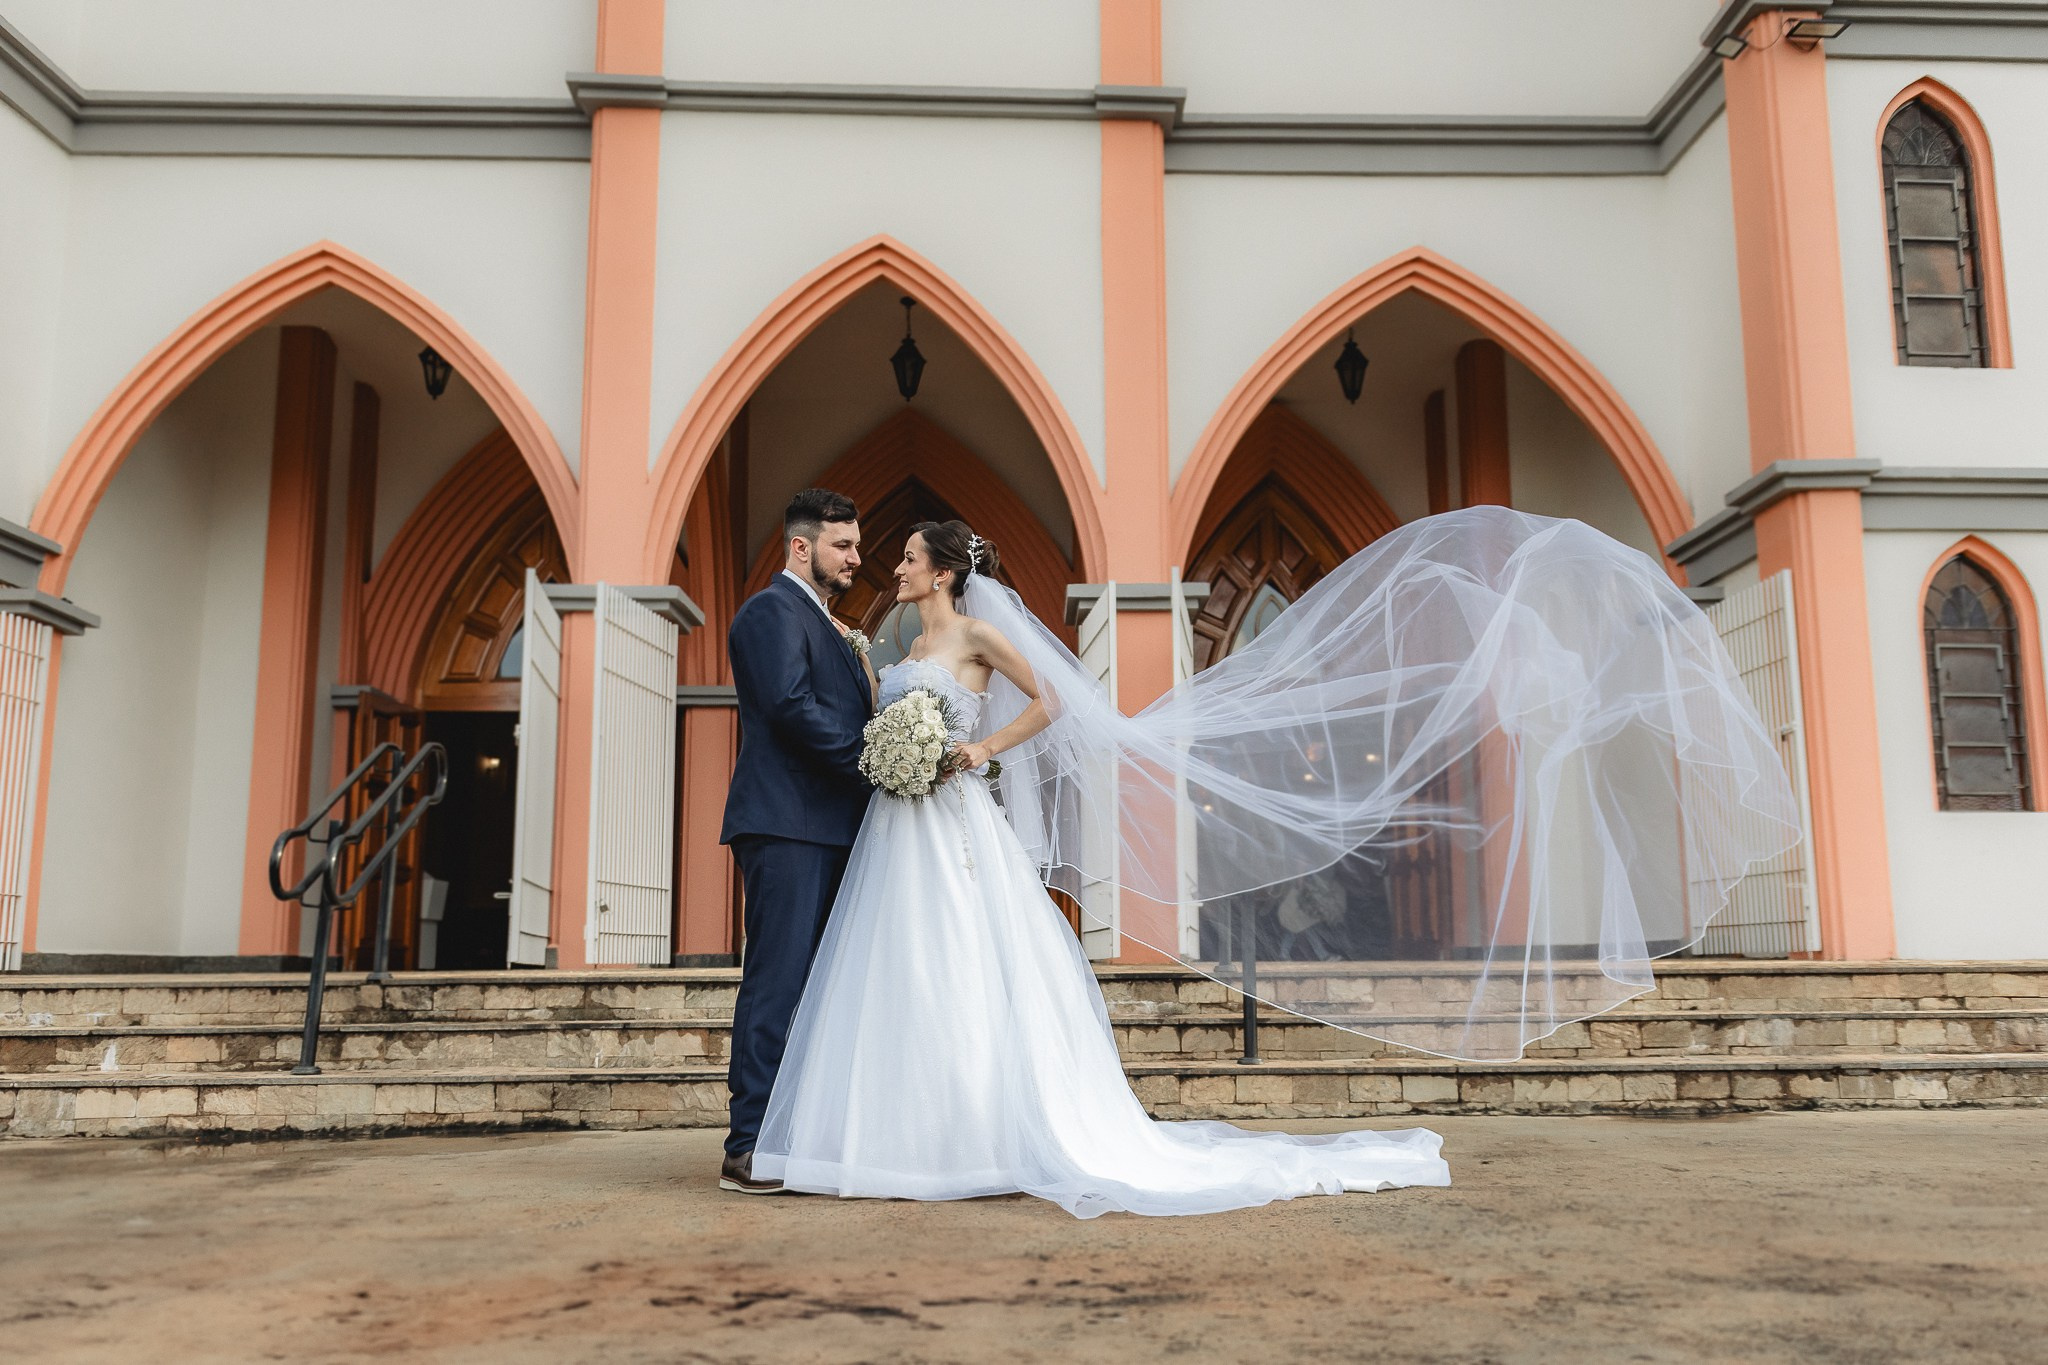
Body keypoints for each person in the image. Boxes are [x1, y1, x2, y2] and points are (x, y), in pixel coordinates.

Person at [748, 510, 1796, 1217]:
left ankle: (979, 1135)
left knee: (964, 970)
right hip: (901, 830)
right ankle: (898, 1133)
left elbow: (1050, 706)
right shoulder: (886, 642)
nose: (889, 567)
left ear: (940, 568)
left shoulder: (977, 633)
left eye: (904, 559)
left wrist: (972, 748)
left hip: (956, 822)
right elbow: (878, 714)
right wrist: (900, 752)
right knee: (897, 974)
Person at [718, 488, 874, 1195]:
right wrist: (868, 758)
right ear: (802, 547)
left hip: (831, 826)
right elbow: (786, 704)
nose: (856, 558)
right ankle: (748, 1143)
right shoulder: (768, 611)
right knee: (777, 983)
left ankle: (796, 1135)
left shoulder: (831, 626)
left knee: (818, 990)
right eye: (843, 545)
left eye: (858, 546)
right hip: (785, 823)